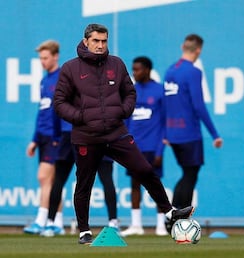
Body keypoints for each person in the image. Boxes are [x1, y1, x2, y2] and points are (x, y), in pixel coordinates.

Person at [53, 23, 194, 245]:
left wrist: (122, 110)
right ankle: (84, 231)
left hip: (115, 133)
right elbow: (59, 103)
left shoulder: (116, 64)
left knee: (145, 169)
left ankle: (170, 212)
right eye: (96, 41)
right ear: (86, 41)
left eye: (104, 41)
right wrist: (80, 117)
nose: (100, 45)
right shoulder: (70, 68)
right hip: (86, 137)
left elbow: (129, 92)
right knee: (84, 184)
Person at [163, 34, 223, 213]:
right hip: (189, 133)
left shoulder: (170, 70)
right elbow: (199, 105)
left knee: (186, 174)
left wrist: (165, 133)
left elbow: (166, 103)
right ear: (199, 50)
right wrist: (215, 134)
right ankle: (181, 219)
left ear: (183, 46)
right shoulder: (193, 72)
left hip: (173, 133)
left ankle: (172, 214)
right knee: (190, 175)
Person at [40, 117, 120, 237]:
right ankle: (113, 223)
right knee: (106, 177)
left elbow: (57, 110)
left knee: (60, 179)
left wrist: (57, 136)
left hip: (69, 132)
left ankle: (50, 224)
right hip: (97, 134)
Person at [121, 56, 168, 237]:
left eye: (138, 69)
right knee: (134, 185)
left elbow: (164, 123)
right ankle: (136, 224)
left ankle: (161, 226)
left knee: (156, 185)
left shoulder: (159, 90)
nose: (135, 73)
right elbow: (126, 121)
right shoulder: (130, 91)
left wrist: (160, 151)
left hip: (152, 147)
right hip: (134, 147)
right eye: (133, 69)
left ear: (147, 70)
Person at [24, 40, 63, 235]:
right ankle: (57, 222)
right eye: (40, 58)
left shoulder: (63, 78)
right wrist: (34, 139)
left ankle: (42, 219)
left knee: (44, 177)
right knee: (51, 180)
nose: (42, 62)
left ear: (55, 56)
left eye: (45, 58)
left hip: (56, 136)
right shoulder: (44, 80)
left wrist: (59, 134)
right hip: (43, 136)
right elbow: (42, 111)